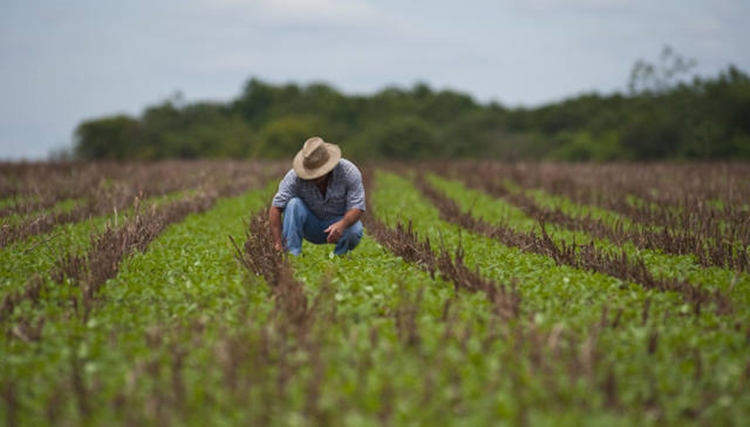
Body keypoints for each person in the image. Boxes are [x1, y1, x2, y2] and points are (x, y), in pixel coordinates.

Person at [269, 136, 365, 256]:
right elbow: (276, 208)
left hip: (339, 223)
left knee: (355, 230)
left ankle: (340, 257)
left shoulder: (348, 172)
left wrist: (342, 224)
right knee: (294, 204)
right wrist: (277, 243)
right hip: (311, 225)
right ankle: (292, 256)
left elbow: (357, 207)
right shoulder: (294, 177)